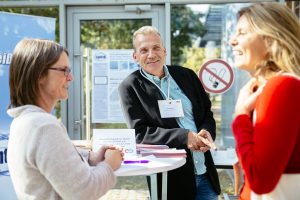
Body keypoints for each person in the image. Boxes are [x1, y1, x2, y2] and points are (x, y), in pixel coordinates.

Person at [7, 38, 123, 200]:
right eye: (64, 70)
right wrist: (109, 165)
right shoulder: (43, 126)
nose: (71, 78)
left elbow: (54, 163)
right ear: (39, 75)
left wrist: (90, 158)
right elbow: (84, 192)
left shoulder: (24, 121)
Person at [118, 26, 220, 200]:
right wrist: (183, 137)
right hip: (171, 178)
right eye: (144, 50)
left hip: (205, 172)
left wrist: (206, 132)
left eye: (156, 48)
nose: (151, 54)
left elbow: (206, 114)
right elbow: (140, 134)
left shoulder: (187, 75)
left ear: (164, 51)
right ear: (135, 56)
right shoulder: (130, 87)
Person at [230, 3, 300, 200]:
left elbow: (260, 181)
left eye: (242, 32)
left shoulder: (283, 87)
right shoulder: (270, 87)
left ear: (270, 39)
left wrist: (241, 115)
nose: (232, 40)